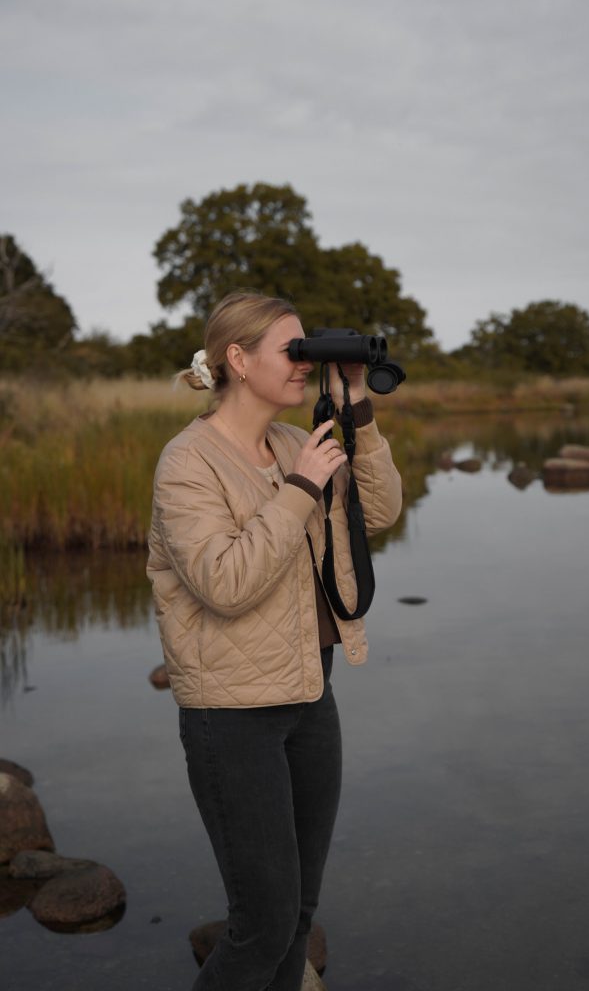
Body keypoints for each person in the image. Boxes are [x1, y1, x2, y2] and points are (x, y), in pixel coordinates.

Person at [147, 290, 402, 991]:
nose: (301, 365)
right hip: (232, 719)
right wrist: (297, 490)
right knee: (260, 925)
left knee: (297, 916)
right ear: (237, 358)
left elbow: (378, 512)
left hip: (308, 694)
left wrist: (357, 413)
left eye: (306, 351)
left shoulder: (298, 441)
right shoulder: (187, 462)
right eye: (291, 351)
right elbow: (222, 584)